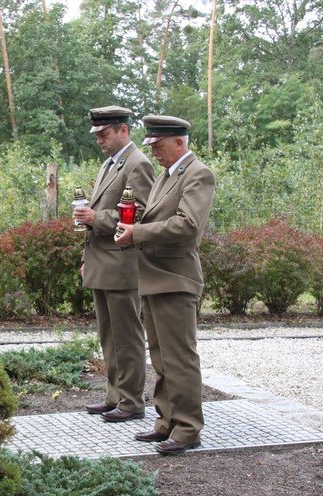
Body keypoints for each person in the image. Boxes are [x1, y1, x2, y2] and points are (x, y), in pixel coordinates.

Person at [115, 115, 215, 454]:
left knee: (179, 358)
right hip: (154, 277)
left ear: (179, 142)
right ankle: (166, 421)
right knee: (160, 358)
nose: (154, 151)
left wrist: (137, 233)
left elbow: (188, 225)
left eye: (158, 145)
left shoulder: (198, 174)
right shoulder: (166, 176)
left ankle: (187, 428)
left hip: (175, 278)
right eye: (151, 145)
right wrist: (129, 227)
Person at [75, 106, 154, 423]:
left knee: (127, 337)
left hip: (122, 265)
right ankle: (115, 396)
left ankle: (132, 401)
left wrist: (98, 218)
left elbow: (143, 213)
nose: (99, 140)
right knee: (109, 337)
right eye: (97, 134)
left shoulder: (138, 163)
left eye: (104, 134)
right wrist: (87, 259)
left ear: (123, 130)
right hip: (102, 263)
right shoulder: (110, 164)